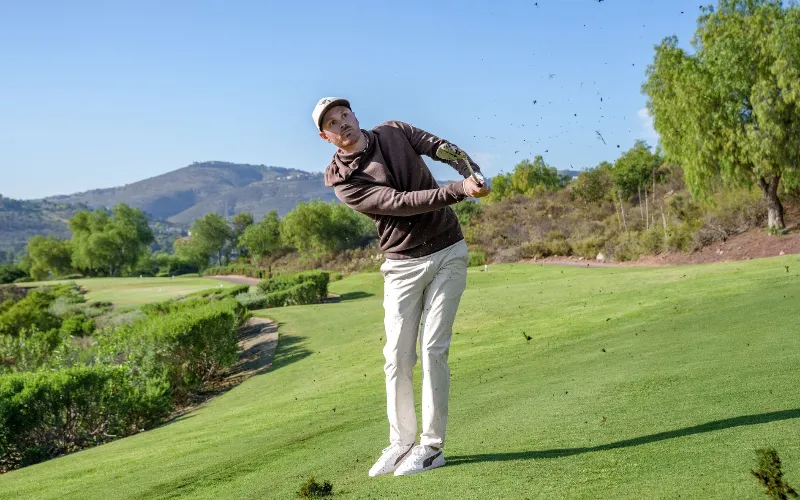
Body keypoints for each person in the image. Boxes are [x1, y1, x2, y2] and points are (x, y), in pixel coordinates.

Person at [313, 97, 491, 477]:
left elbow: (441, 148)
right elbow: (401, 203)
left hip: (448, 251)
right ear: (326, 136)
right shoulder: (345, 184)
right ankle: (400, 442)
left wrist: (471, 173)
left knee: (433, 349)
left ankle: (431, 446)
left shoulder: (395, 130)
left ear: (355, 115)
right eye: (332, 122)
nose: (342, 122)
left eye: (345, 114)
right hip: (402, 266)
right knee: (397, 356)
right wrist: (459, 190)